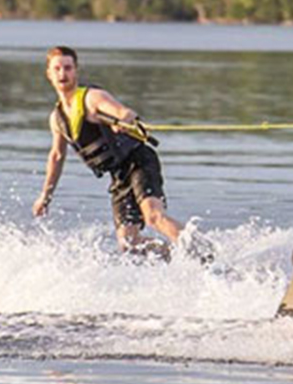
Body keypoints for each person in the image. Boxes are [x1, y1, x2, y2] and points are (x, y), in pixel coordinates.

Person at [35, 46, 191, 259]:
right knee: (129, 245)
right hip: (118, 176)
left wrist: (124, 122)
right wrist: (46, 195)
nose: (63, 74)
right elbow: (56, 156)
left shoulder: (92, 98)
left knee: (154, 217)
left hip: (138, 162)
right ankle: (179, 255)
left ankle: (204, 252)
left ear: (76, 71)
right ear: (49, 73)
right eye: (58, 69)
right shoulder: (57, 119)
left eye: (68, 68)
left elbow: (124, 112)